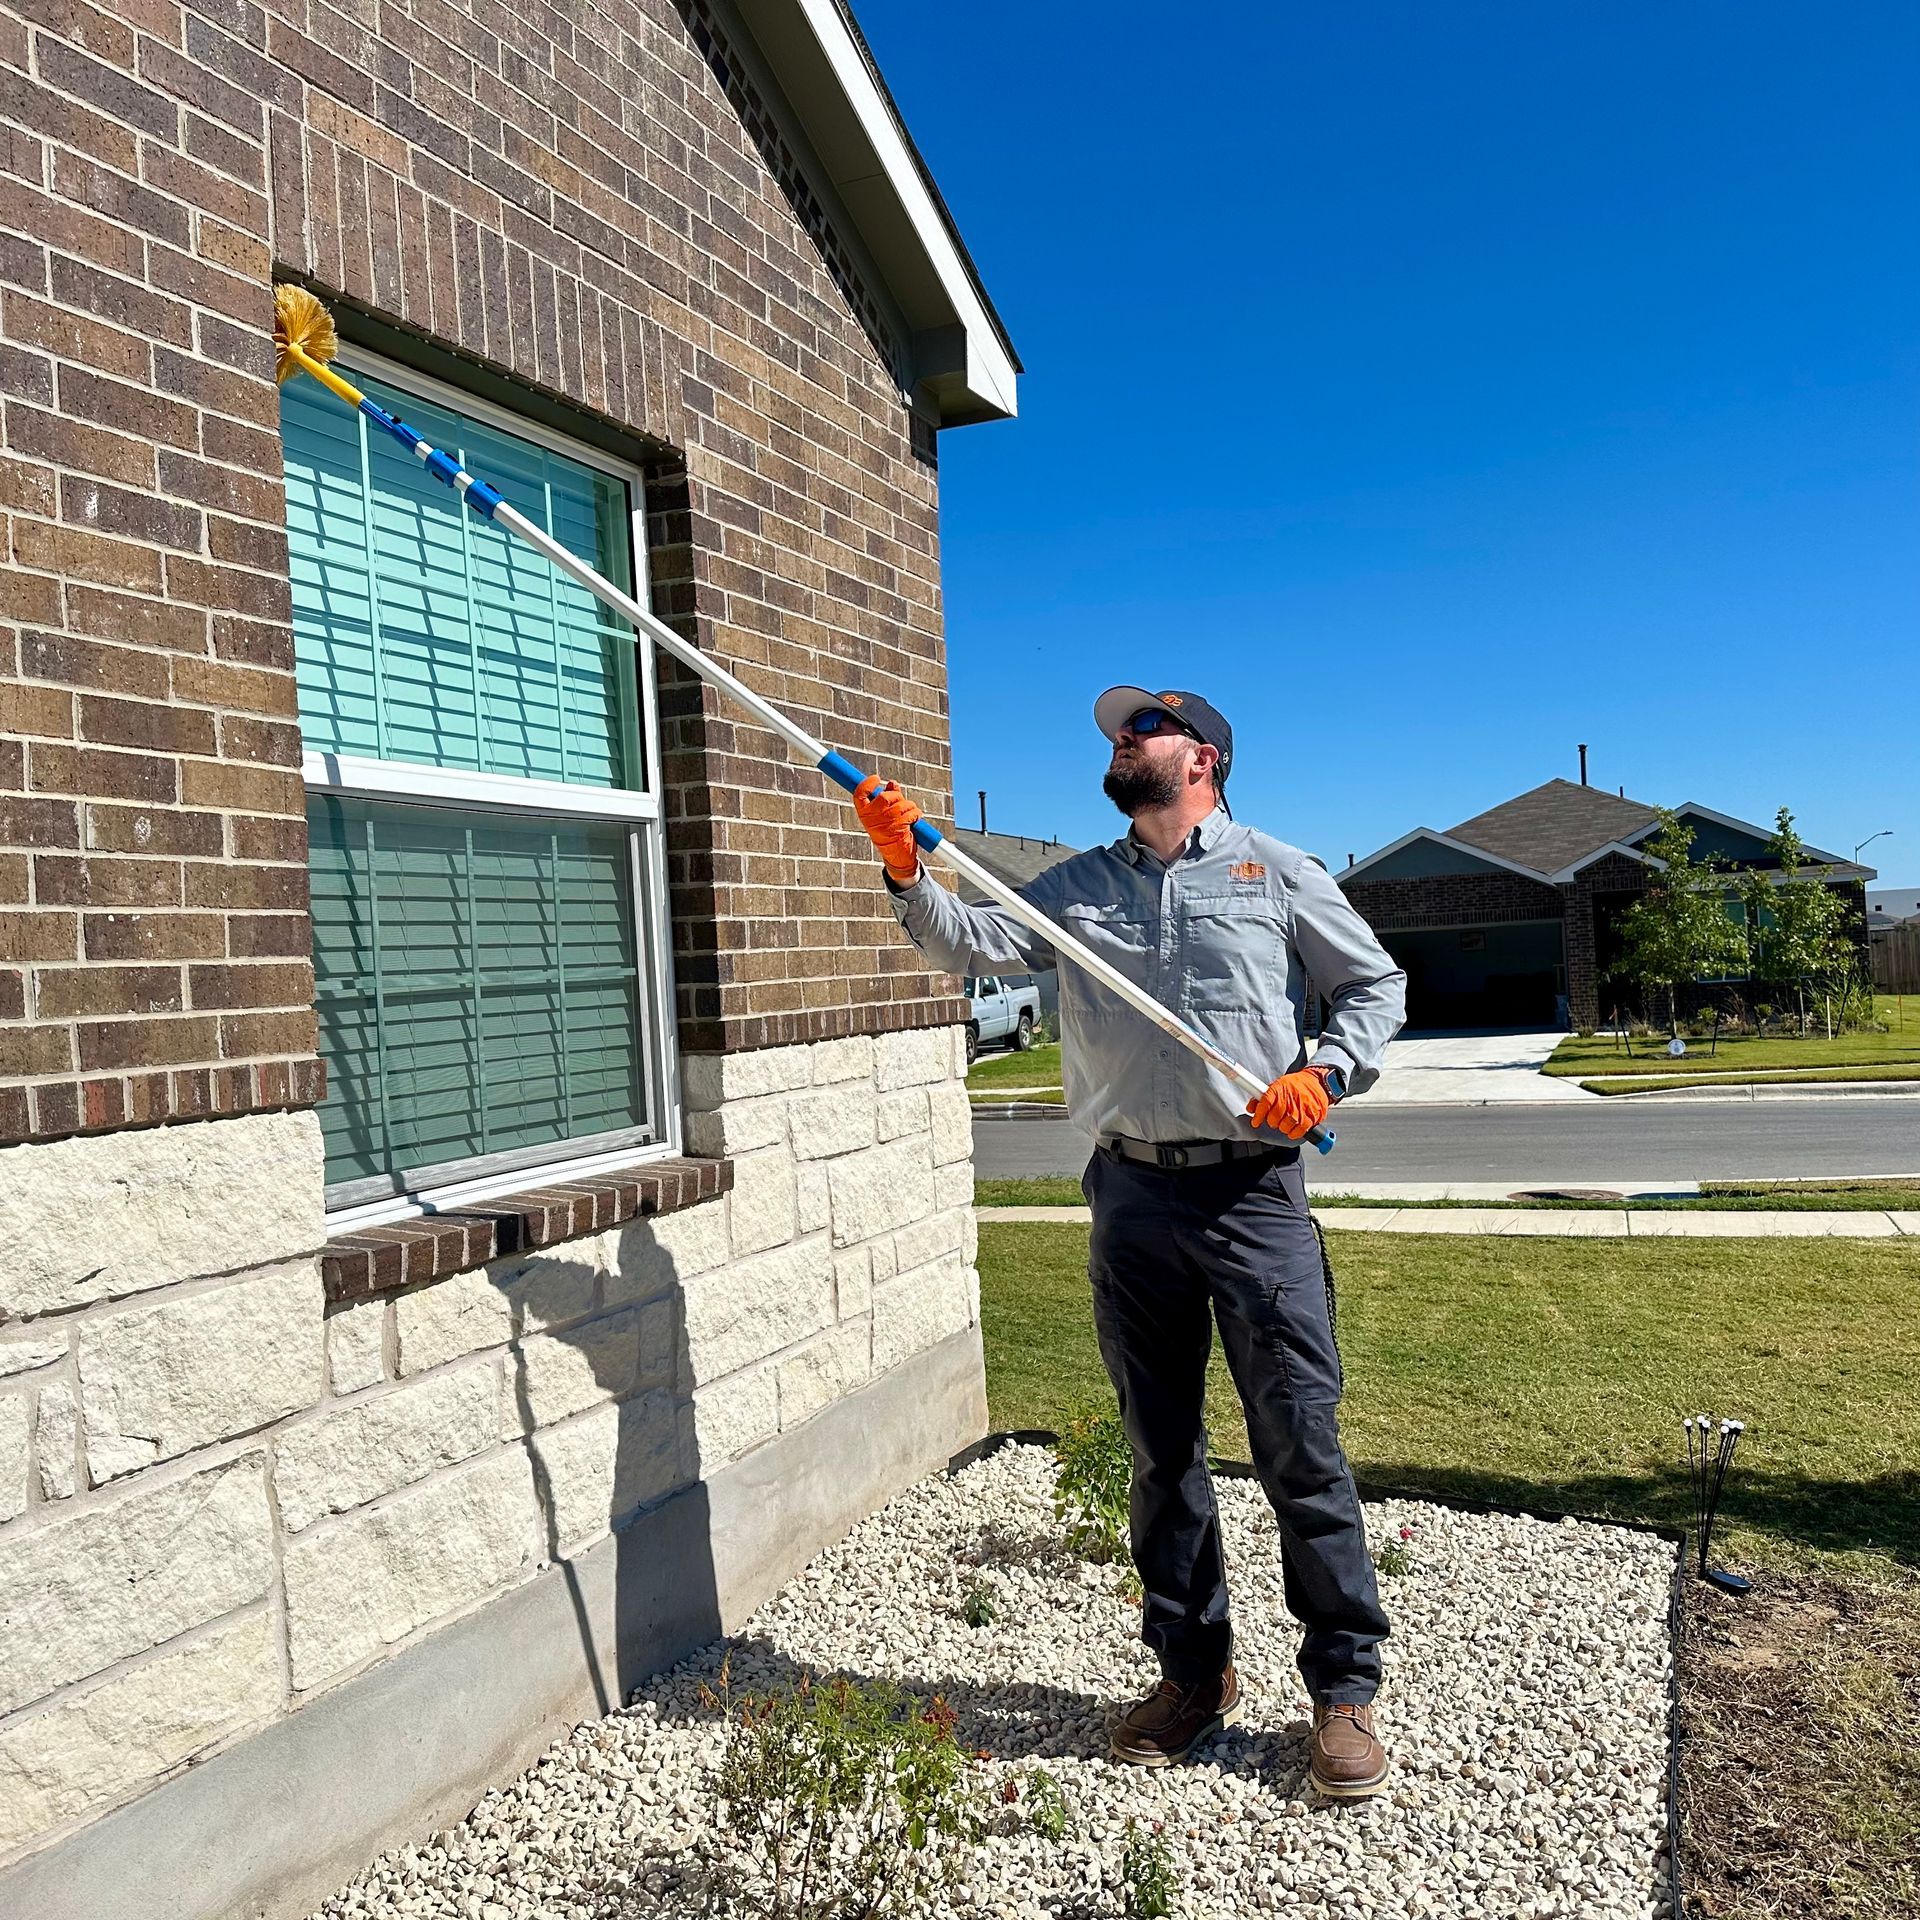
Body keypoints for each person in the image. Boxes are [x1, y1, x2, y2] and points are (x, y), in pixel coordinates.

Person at [852, 686, 1408, 1798]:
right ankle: (1194, 1674)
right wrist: (908, 869)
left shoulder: (1277, 871)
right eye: (1117, 731)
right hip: (1133, 1199)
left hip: (1255, 1196)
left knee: (1299, 1442)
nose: (1121, 741)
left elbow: (1373, 985)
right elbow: (971, 947)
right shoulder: (1074, 889)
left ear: (1204, 757)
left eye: (1143, 728)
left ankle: (1343, 1694)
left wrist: (1325, 1073)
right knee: (1161, 1452)